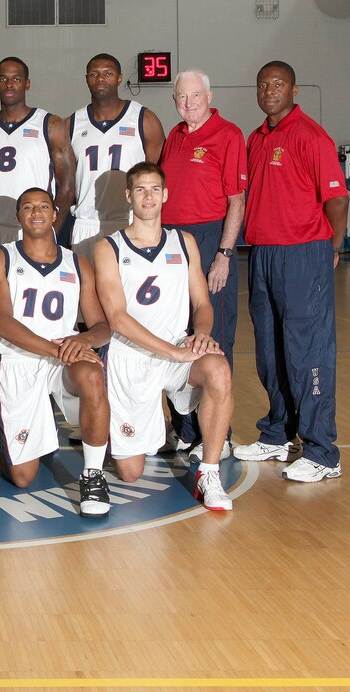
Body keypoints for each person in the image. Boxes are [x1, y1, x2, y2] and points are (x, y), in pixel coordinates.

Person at [93, 162, 234, 511]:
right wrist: (172, 352)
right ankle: (132, 429)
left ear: (166, 194)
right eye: (140, 189)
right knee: (130, 472)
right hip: (131, 357)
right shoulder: (108, 248)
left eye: (155, 188)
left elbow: (202, 302)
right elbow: (117, 318)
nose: (148, 196)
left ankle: (209, 472)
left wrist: (200, 335)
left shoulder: (183, 242)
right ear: (129, 196)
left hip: (178, 351)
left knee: (218, 369)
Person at [233, 61, 348, 483]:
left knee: (306, 351)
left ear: (294, 90)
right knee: (270, 350)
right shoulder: (258, 137)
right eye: (263, 85)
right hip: (263, 253)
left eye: (277, 84)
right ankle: (279, 433)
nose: (269, 91)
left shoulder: (310, 136)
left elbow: (337, 200)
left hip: (303, 254)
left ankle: (322, 450)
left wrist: (331, 248)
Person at [0, 188, 112, 517]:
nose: (36, 212)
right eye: (28, 207)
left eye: (43, 206)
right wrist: (59, 348)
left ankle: (93, 475)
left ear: (55, 214)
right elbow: (1, 322)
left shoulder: (78, 263)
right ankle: (10, 431)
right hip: (20, 359)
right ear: (18, 217)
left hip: (63, 357)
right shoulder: (1, 257)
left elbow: (101, 326)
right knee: (23, 478)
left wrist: (85, 341)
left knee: (93, 372)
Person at [159, 70, 247, 459]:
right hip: (173, 243)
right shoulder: (175, 136)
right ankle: (185, 428)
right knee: (177, 333)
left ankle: (218, 435)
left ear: (209, 96)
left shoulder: (228, 135)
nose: (189, 103)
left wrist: (224, 256)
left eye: (196, 96)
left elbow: (236, 202)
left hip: (210, 240)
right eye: (182, 96)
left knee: (214, 338)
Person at [68, 54, 165, 259]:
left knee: (128, 290)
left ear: (120, 78)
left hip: (130, 220)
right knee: (87, 290)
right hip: (87, 222)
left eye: (108, 73)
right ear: (86, 79)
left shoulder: (143, 118)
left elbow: (156, 175)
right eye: (94, 74)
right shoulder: (72, 123)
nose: (100, 78)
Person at [0, 57, 74, 252]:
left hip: (33, 229)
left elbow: (68, 186)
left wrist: (50, 228)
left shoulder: (50, 124)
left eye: (17, 79)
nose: (9, 84)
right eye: (3, 79)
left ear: (27, 84)